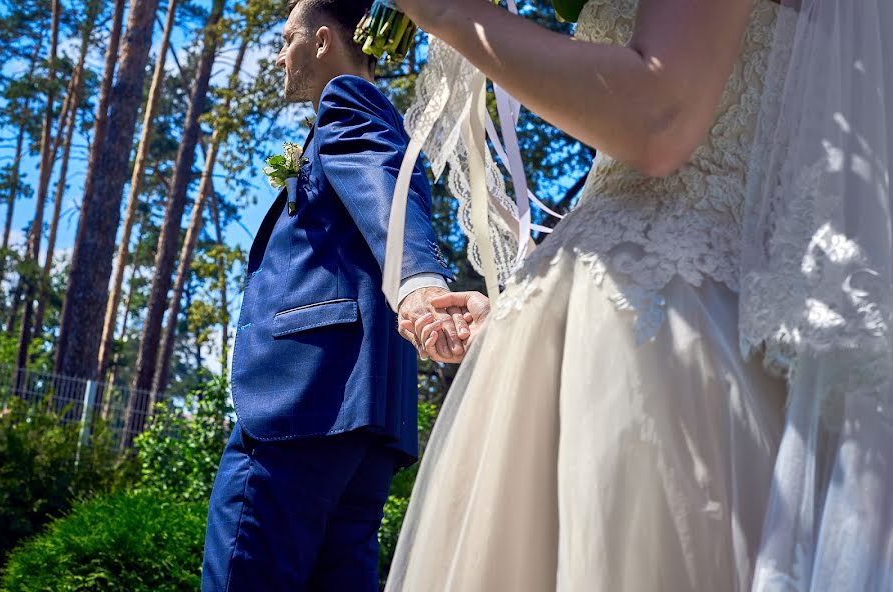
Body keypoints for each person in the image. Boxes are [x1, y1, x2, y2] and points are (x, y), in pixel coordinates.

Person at [391, 0, 893, 590]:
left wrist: (445, 11)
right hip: (646, 306)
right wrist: (521, 309)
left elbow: (660, 115)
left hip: (664, 331)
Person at [199, 0, 471, 589]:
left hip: (301, 404)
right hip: (364, 420)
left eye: (288, 37)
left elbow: (381, 189)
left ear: (323, 41)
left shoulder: (349, 103)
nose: (279, 53)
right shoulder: (384, 120)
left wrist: (420, 285)